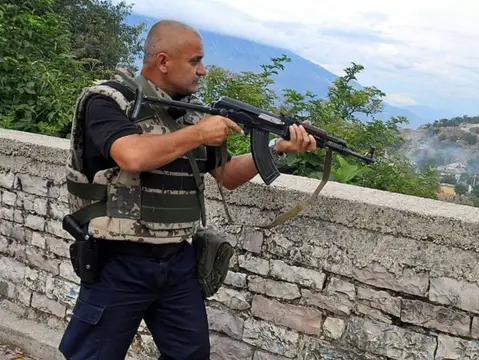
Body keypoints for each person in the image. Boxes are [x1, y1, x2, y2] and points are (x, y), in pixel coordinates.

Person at [57, 19, 317, 359]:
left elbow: (227, 176)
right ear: (163, 61)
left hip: (179, 263)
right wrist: (198, 135)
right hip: (118, 263)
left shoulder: (190, 115)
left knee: (191, 355)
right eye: (195, 61)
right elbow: (131, 155)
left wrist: (276, 149)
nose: (204, 70)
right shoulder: (108, 101)